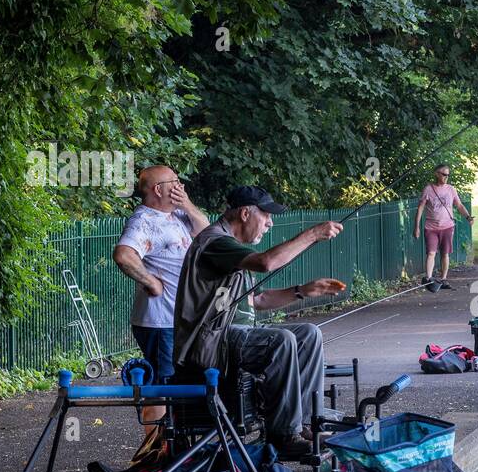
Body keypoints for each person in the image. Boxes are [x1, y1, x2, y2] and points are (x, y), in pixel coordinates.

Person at [173, 186, 345, 457]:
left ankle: (310, 423)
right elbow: (267, 262)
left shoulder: (233, 250)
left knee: (309, 333)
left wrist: (302, 291)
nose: (270, 223)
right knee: (281, 340)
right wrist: (312, 234)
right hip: (210, 345)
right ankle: (284, 435)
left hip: (234, 338)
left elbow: (259, 301)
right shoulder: (215, 242)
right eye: (266, 215)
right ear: (244, 213)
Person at [112, 165, 210, 384]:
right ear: (158, 190)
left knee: (182, 383)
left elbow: (207, 233)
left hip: (178, 320)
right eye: (174, 182)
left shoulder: (177, 214)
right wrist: (151, 281)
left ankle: (173, 419)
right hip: (160, 322)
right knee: (164, 386)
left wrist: (186, 204)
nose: (180, 186)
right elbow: (123, 255)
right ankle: (158, 420)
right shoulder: (144, 221)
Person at [412, 163, 473, 292]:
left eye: (448, 175)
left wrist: (468, 217)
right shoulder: (428, 189)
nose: (446, 177)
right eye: (444, 174)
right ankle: (428, 279)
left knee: (445, 254)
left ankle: (444, 279)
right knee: (431, 253)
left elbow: (459, 205)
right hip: (431, 227)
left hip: (447, 226)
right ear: (437, 174)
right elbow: (420, 208)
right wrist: (416, 226)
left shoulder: (451, 189)